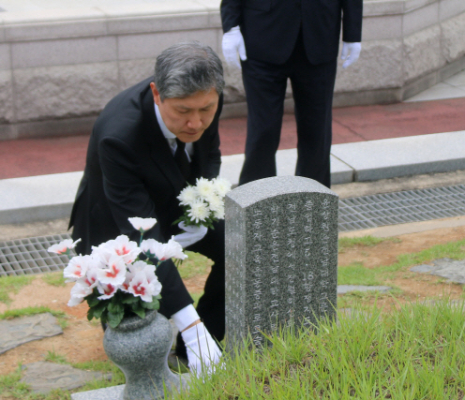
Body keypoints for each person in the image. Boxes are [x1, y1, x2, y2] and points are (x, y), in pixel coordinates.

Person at [69, 41, 226, 375]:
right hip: (117, 221)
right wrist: (187, 322)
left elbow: (209, 153)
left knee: (240, 248)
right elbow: (141, 235)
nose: (196, 123)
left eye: (206, 110)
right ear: (157, 93)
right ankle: (192, 338)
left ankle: (202, 343)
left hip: (176, 202)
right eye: (183, 112)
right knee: (137, 336)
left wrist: (200, 206)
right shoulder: (120, 135)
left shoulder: (206, 97)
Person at [220, 0, 363, 188]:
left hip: (319, 32)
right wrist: (231, 25)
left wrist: (353, 32)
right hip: (262, 32)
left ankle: (313, 203)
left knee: (316, 130)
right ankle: (256, 201)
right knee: (263, 129)